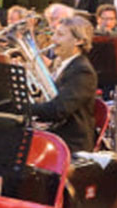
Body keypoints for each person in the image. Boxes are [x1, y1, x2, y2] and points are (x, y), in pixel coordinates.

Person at [29, 17, 97, 153]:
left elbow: (58, 110)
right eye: (54, 33)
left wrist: (23, 107)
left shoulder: (82, 71)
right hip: (54, 135)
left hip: (69, 144)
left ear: (79, 41)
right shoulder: (61, 64)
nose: (53, 39)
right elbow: (47, 98)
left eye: (60, 35)